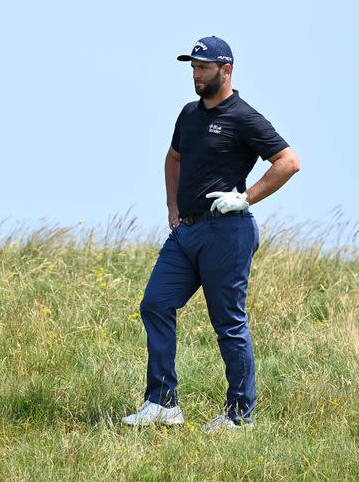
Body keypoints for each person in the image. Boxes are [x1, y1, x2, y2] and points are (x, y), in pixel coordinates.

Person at [122, 36, 300, 432]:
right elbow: (174, 158)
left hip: (227, 232)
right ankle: (163, 403)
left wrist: (246, 198)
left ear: (226, 70)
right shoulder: (188, 114)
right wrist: (172, 206)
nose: (196, 75)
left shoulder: (244, 116)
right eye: (193, 68)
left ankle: (239, 416)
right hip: (186, 232)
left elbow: (288, 162)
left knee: (228, 324)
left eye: (202, 68)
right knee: (155, 303)